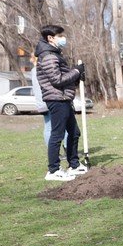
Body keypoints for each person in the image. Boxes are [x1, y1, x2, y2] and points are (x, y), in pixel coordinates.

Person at [35, 25, 86, 181]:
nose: (63, 39)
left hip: (63, 98)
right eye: (60, 36)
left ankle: (74, 165)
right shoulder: (48, 56)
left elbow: (63, 77)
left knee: (74, 132)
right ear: (50, 38)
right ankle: (53, 170)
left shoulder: (53, 54)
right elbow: (57, 80)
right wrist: (76, 71)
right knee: (57, 135)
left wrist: (77, 77)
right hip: (57, 99)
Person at [30, 54, 50, 146]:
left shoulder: (33, 71)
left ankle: (52, 152)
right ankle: (67, 149)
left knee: (48, 127)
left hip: (41, 103)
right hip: (49, 101)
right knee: (63, 126)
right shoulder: (43, 70)